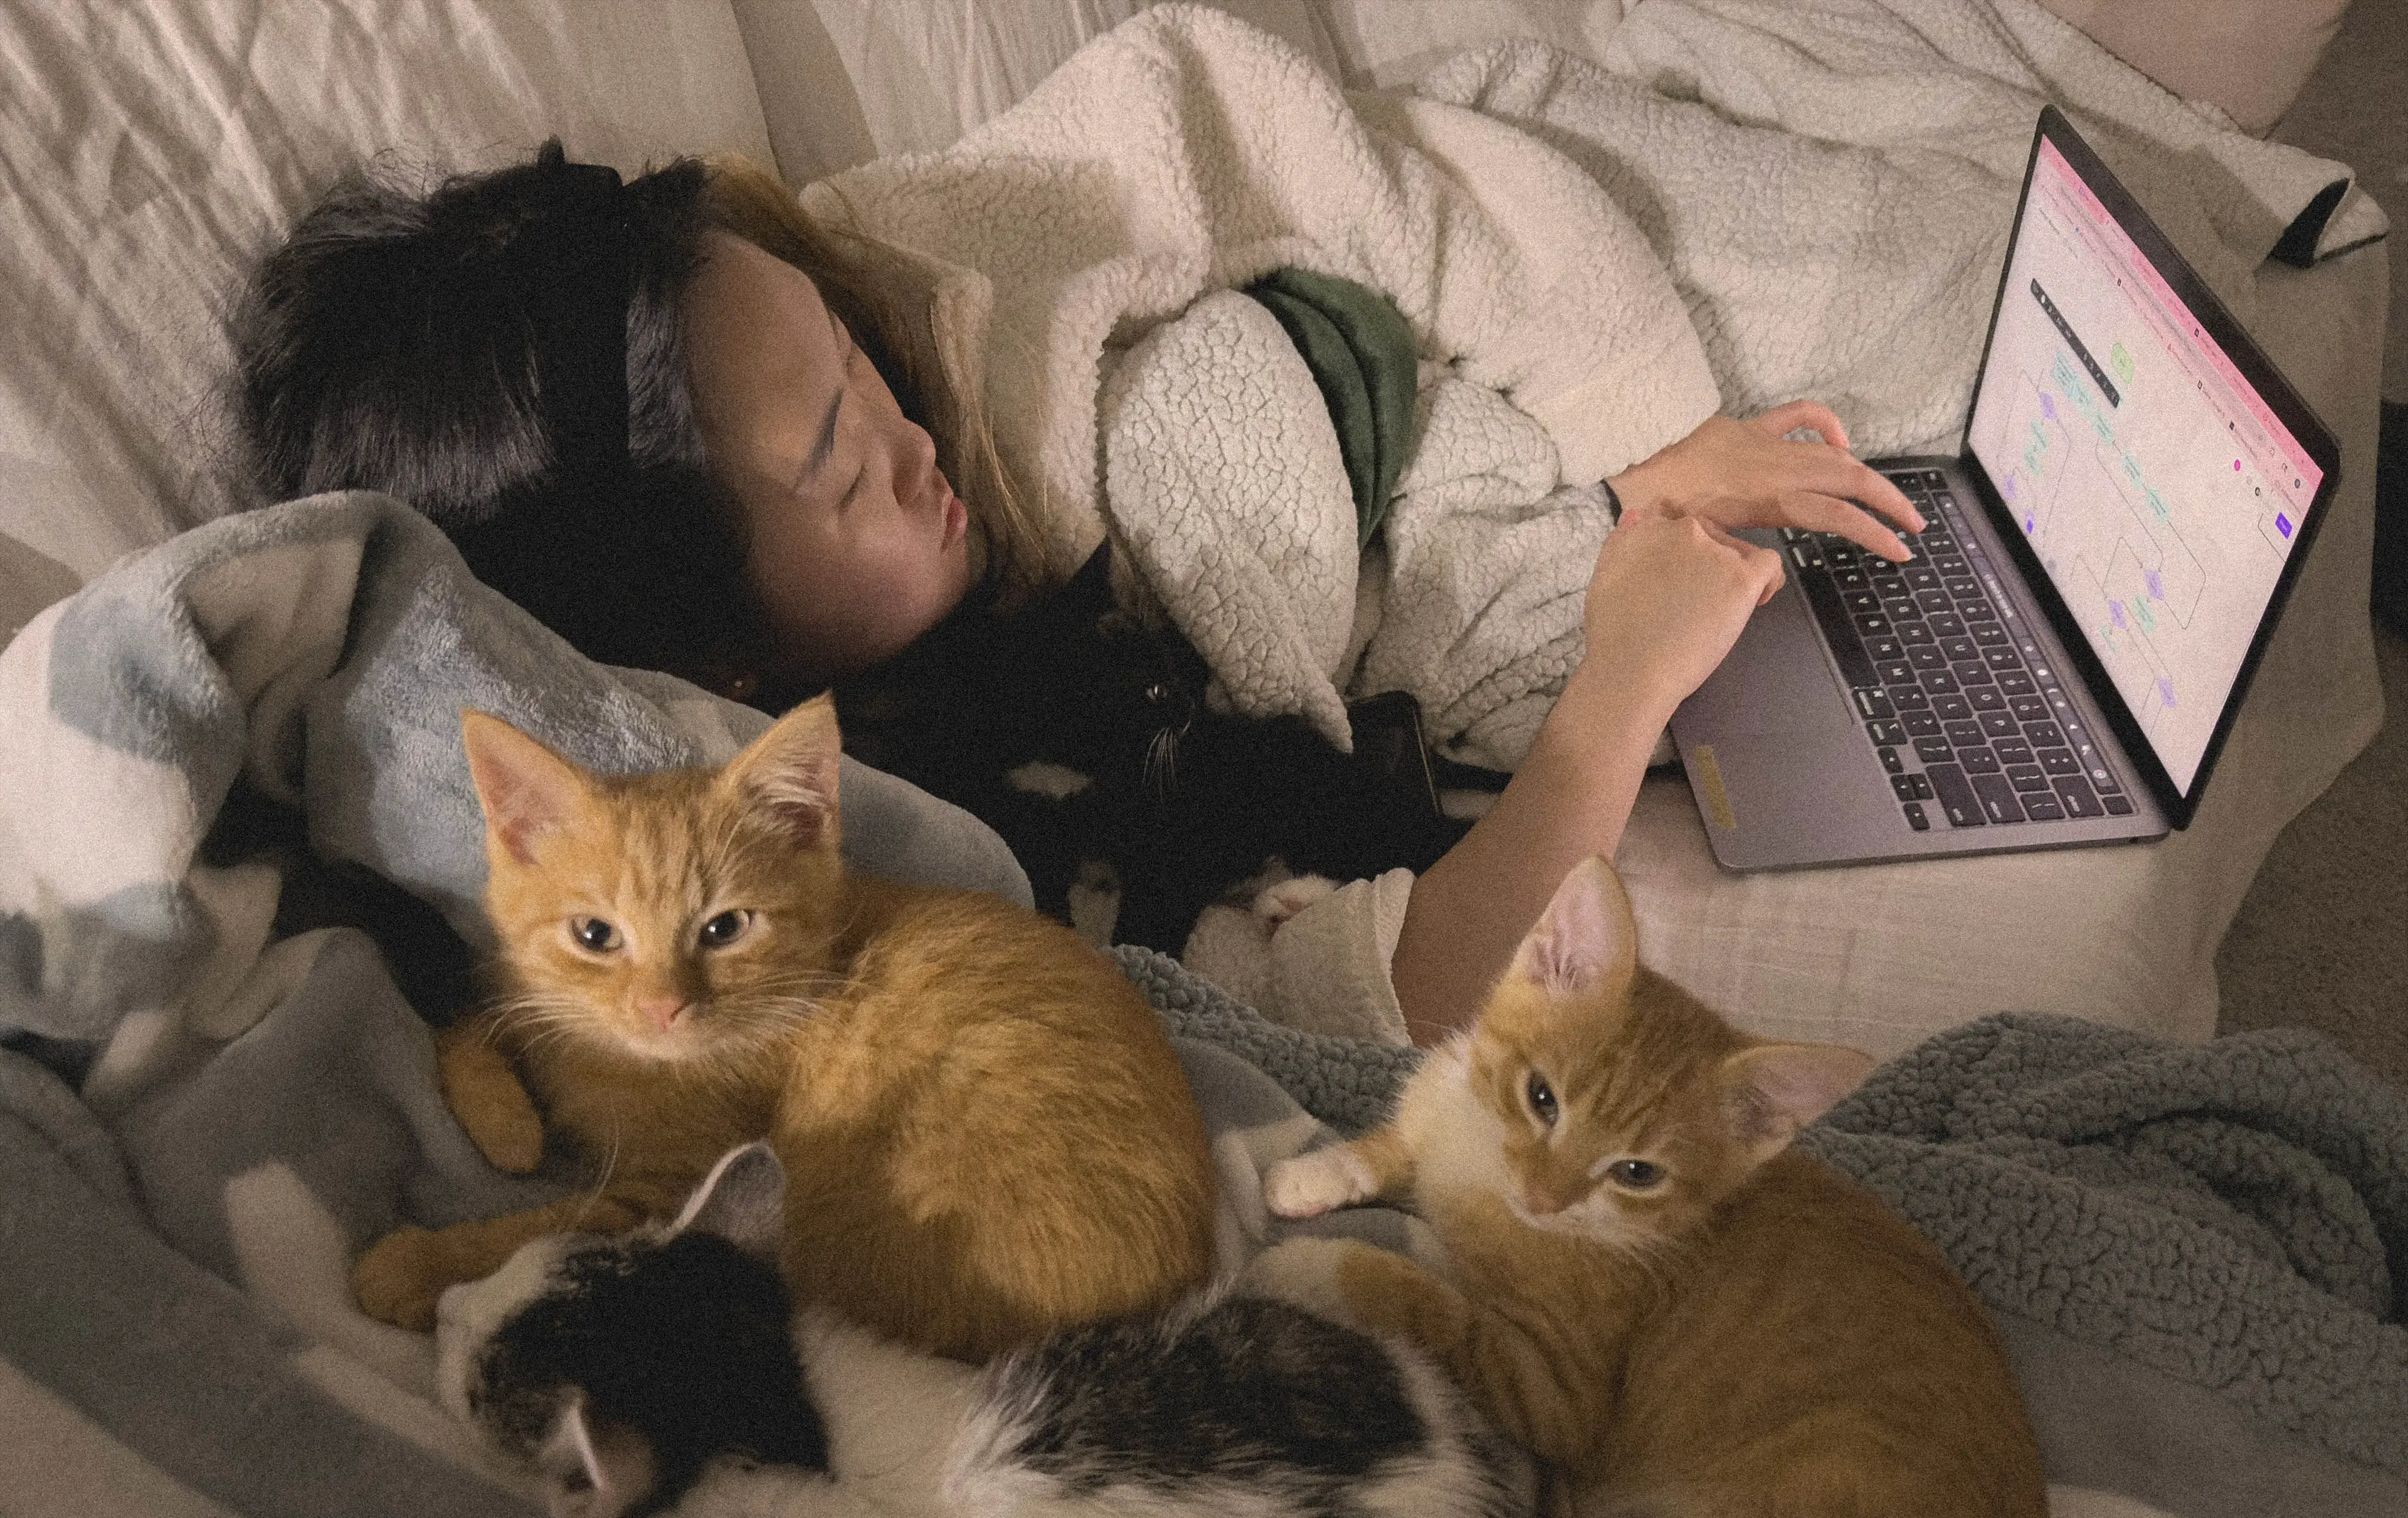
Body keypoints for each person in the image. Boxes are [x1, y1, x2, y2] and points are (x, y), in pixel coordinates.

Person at [234, 134, 1921, 1046]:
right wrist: (1623, 682)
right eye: (840, 470)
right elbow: (1397, 997)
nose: (910, 438)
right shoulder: (924, 837)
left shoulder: (839, 322)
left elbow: (1229, 131)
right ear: (719, 660)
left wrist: (1638, 432)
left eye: (853, 357)